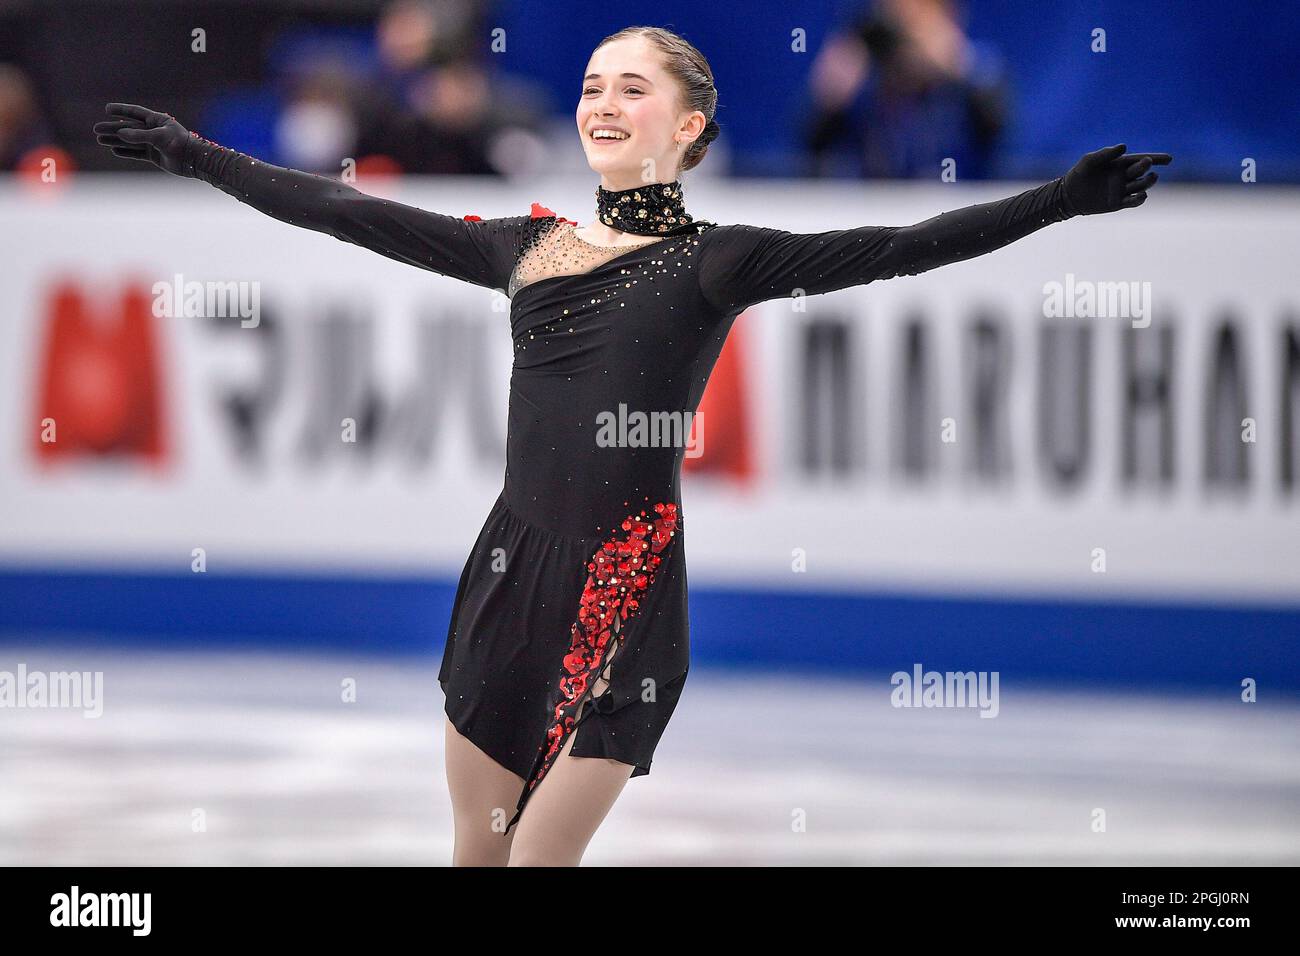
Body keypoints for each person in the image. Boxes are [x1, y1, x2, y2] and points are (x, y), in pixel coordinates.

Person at [93, 24, 1170, 867]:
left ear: (689, 127)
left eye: (633, 88)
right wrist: (197, 155)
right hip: (512, 575)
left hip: (630, 584)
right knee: (480, 845)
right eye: (593, 85)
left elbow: (897, 245)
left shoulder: (719, 260)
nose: (603, 103)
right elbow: (347, 210)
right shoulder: (526, 246)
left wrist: (1056, 205)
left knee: (541, 854)